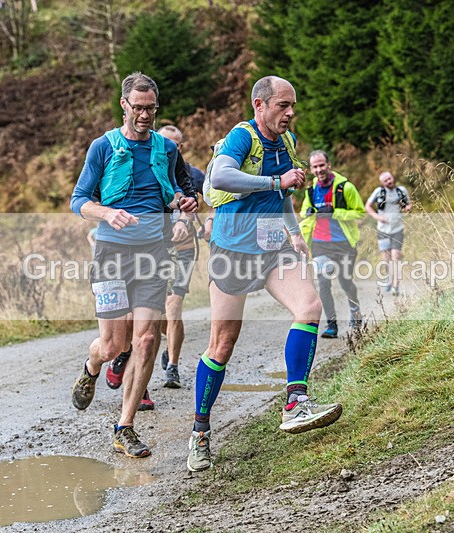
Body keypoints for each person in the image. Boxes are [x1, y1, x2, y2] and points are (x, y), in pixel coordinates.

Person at [185, 75, 343, 473]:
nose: (290, 113)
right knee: (222, 344)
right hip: (233, 250)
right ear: (259, 105)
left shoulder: (287, 143)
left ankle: (295, 403)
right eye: (282, 106)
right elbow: (218, 177)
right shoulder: (243, 136)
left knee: (310, 306)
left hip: (273, 249)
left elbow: (284, 196)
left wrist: (294, 233)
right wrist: (275, 180)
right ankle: (200, 431)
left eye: (293, 106)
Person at [69, 72, 197, 458]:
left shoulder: (166, 149)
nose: (144, 115)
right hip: (111, 253)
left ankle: (124, 427)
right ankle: (91, 368)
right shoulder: (103, 147)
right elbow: (79, 201)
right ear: (124, 105)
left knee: (145, 339)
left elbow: (184, 193)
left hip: (154, 254)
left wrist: (183, 214)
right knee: (114, 345)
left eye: (150, 108)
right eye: (138, 108)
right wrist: (107, 214)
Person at [152, 124, 209, 389]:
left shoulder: (193, 175)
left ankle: (172, 367)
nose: (168, 148)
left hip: (184, 250)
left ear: (181, 147)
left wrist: (204, 224)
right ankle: (168, 345)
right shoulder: (150, 172)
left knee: (173, 308)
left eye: (174, 145)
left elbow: (211, 204)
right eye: (163, 143)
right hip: (154, 249)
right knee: (158, 313)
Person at [299, 150, 365, 339]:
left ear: (329, 165)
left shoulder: (346, 188)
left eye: (322, 165)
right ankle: (332, 325)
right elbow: (304, 212)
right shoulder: (310, 190)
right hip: (320, 244)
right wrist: (309, 211)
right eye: (315, 166)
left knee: (345, 281)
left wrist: (335, 212)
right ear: (311, 169)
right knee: (324, 282)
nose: (319, 169)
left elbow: (360, 213)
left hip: (344, 244)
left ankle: (356, 313)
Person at [365, 171, 412, 295]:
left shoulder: (401, 190)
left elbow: (408, 204)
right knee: (386, 258)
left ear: (393, 177)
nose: (389, 181)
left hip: (398, 229)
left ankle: (395, 286)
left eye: (390, 178)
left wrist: (408, 208)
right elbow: (368, 206)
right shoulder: (378, 192)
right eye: (386, 180)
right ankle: (388, 279)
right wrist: (378, 217)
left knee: (395, 257)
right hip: (383, 230)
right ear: (382, 183)